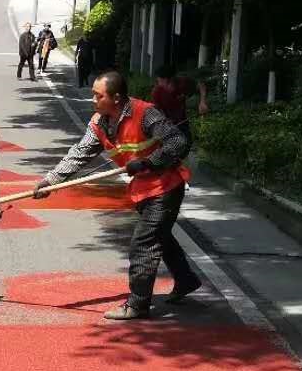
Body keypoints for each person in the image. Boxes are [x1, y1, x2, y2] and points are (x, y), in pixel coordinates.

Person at [34, 69, 202, 319]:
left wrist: (148, 163)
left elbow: (177, 142)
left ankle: (137, 304)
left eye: (97, 96)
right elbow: (79, 154)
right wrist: (51, 181)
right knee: (160, 236)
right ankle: (186, 279)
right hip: (141, 190)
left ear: (116, 98)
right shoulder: (99, 123)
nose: (93, 100)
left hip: (165, 187)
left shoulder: (146, 114)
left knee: (144, 243)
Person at [150, 63, 208, 144]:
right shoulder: (156, 92)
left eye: (159, 80)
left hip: (182, 123)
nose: (158, 83)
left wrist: (202, 102)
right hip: (167, 126)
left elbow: (201, 86)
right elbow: (157, 112)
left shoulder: (183, 82)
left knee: (187, 144)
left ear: (166, 80)